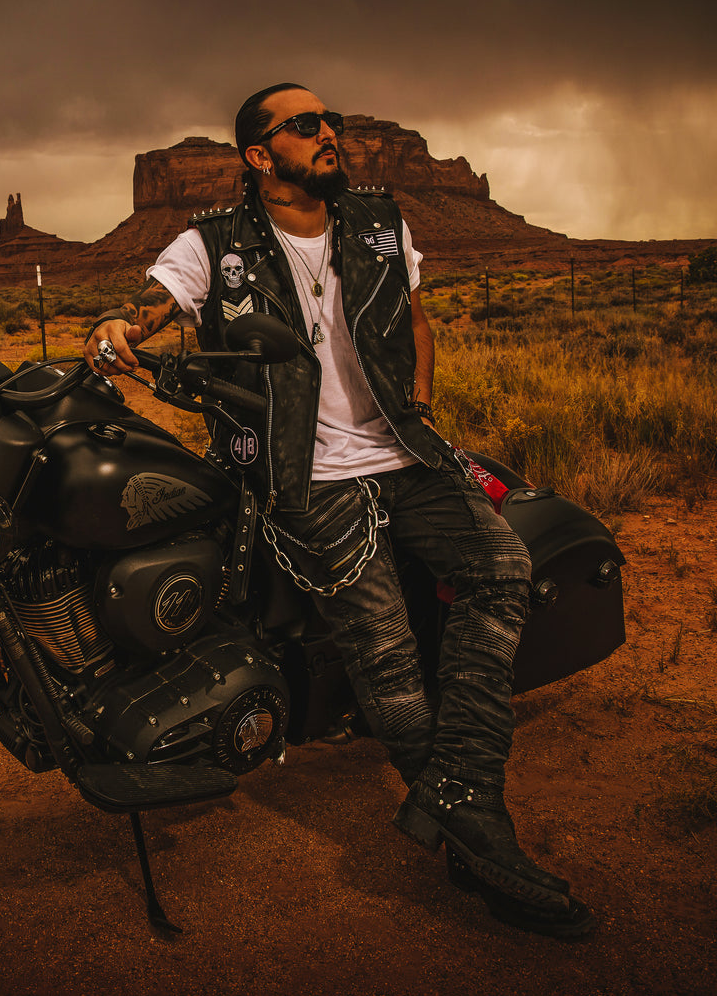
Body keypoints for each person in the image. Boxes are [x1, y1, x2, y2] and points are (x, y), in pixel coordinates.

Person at [84, 83, 593, 938]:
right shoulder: (215, 243)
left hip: (405, 453)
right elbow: (153, 303)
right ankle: (480, 832)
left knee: (504, 569)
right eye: (307, 125)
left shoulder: (378, 221)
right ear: (258, 155)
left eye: (334, 124)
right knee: (384, 655)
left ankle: (455, 792)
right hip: (301, 475)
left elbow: (416, 319)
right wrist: (117, 326)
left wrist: (420, 398)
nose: (330, 135)